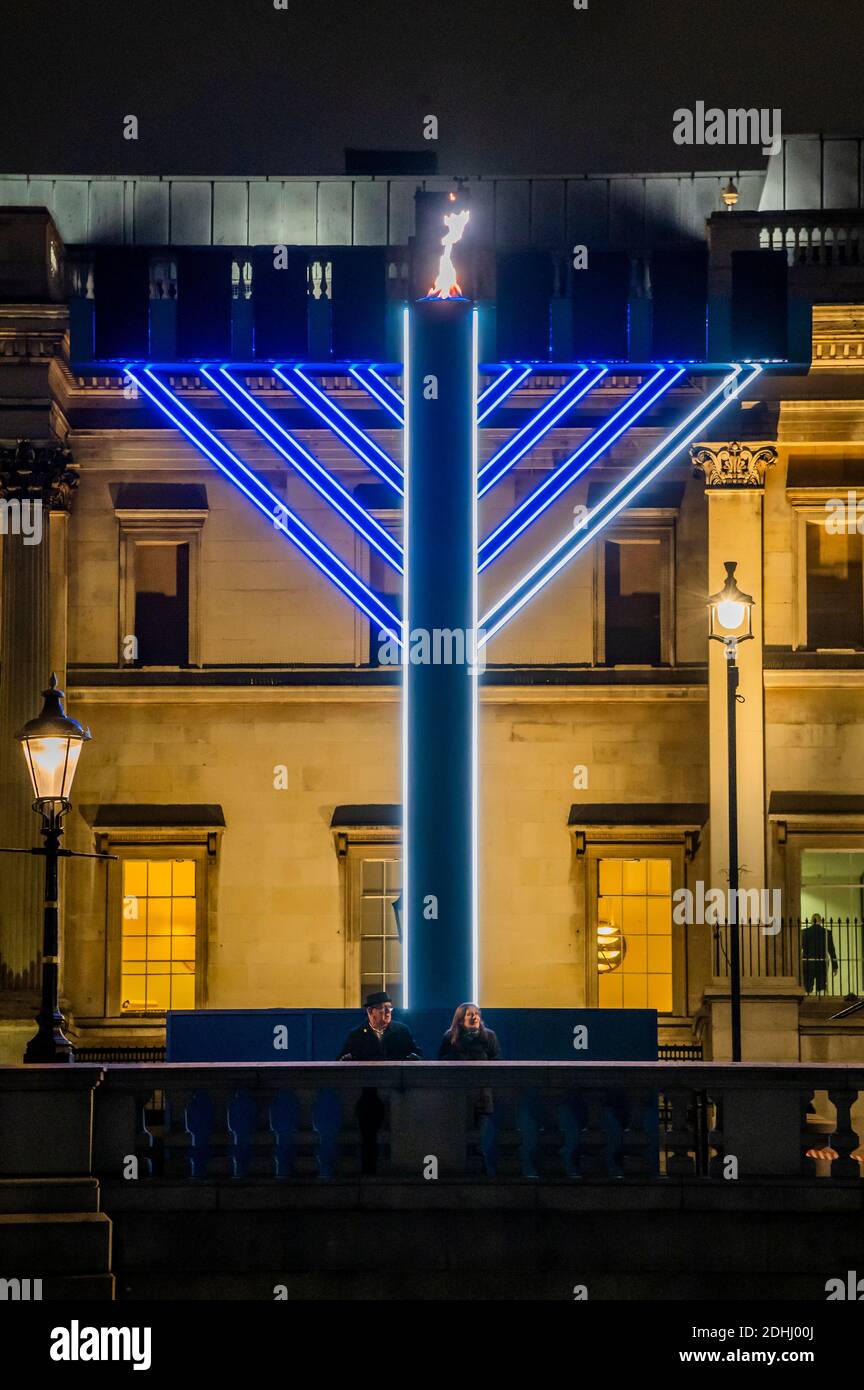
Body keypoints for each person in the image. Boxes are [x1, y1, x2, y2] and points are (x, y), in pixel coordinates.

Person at [337, 990, 421, 1173]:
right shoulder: (357, 1034)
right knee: (369, 1136)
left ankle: (402, 1171)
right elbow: (341, 1060)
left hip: (398, 1093)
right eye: (383, 1009)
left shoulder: (401, 1031)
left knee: (403, 1134)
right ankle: (370, 1175)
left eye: (390, 1008)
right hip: (369, 1094)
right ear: (370, 1012)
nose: (388, 1012)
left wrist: (413, 1059)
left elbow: (416, 1054)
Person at [438, 1003, 501, 1174]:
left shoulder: (489, 1037)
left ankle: (478, 1174)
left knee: (478, 1138)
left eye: (476, 1014)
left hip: (481, 1095)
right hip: (457, 1095)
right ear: (460, 1019)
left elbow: (497, 1062)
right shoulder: (450, 1037)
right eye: (469, 1014)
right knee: (457, 1137)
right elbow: (441, 1062)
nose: (474, 1017)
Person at [801, 913, 839, 995]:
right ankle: (820, 1001)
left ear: (811, 921)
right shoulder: (826, 932)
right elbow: (831, 950)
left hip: (808, 962)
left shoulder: (804, 932)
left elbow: (800, 948)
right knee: (821, 986)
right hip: (822, 962)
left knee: (808, 986)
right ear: (821, 921)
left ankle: (808, 1002)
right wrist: (835, 965)